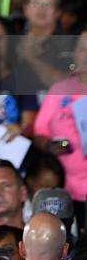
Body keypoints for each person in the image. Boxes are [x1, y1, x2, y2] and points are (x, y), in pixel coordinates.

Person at [33, 29, 87, 230]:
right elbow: (40, 133)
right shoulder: (59, 90)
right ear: (74, 54)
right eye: (82, 49)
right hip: (65, 191)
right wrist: (50, 145)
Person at [15, 0, 73, 91]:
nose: (41, 9)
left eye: (48, 4)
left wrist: (32, 59)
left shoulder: (69, 43)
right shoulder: (12, 39)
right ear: (25, 9)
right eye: (35, 3)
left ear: (57, 12)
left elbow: (69, 84)